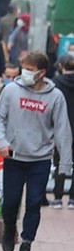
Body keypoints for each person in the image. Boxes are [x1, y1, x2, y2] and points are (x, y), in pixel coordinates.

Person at [0, 52, 73, 251]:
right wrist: (2, 142)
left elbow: (63, 130)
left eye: (29, 69)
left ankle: (26, 244)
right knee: (10, 202)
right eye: (23, 68)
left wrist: (65, 163)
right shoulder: (11, 90)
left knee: (34, 203)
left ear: (41, 72)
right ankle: (10, 228)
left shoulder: (55, 97)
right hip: (14, 157)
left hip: (40, 159)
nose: (24, 72)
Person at [51, 58, 74, 209]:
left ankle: (58, 197)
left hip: (61, 125)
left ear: (60, 66)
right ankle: (73, 198)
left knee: (60, 160)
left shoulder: (55, 83)